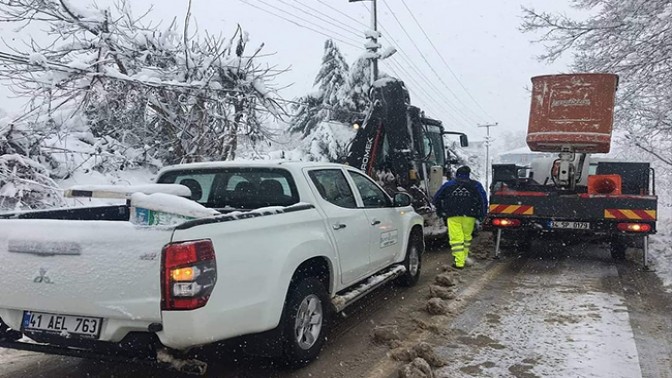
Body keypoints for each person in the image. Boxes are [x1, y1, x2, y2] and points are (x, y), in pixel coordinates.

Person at [432, 166, 488, 269]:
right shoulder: (476, 185)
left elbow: (436, 199)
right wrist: (482, 215)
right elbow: (483, 200)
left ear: (457, 174)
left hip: (453, 216)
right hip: (470, 216)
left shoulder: (448, 185)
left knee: (456, 240)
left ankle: (459, 263)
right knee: (466, 239)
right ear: (468, 174)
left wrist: (440, 211)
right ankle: (464, 257)